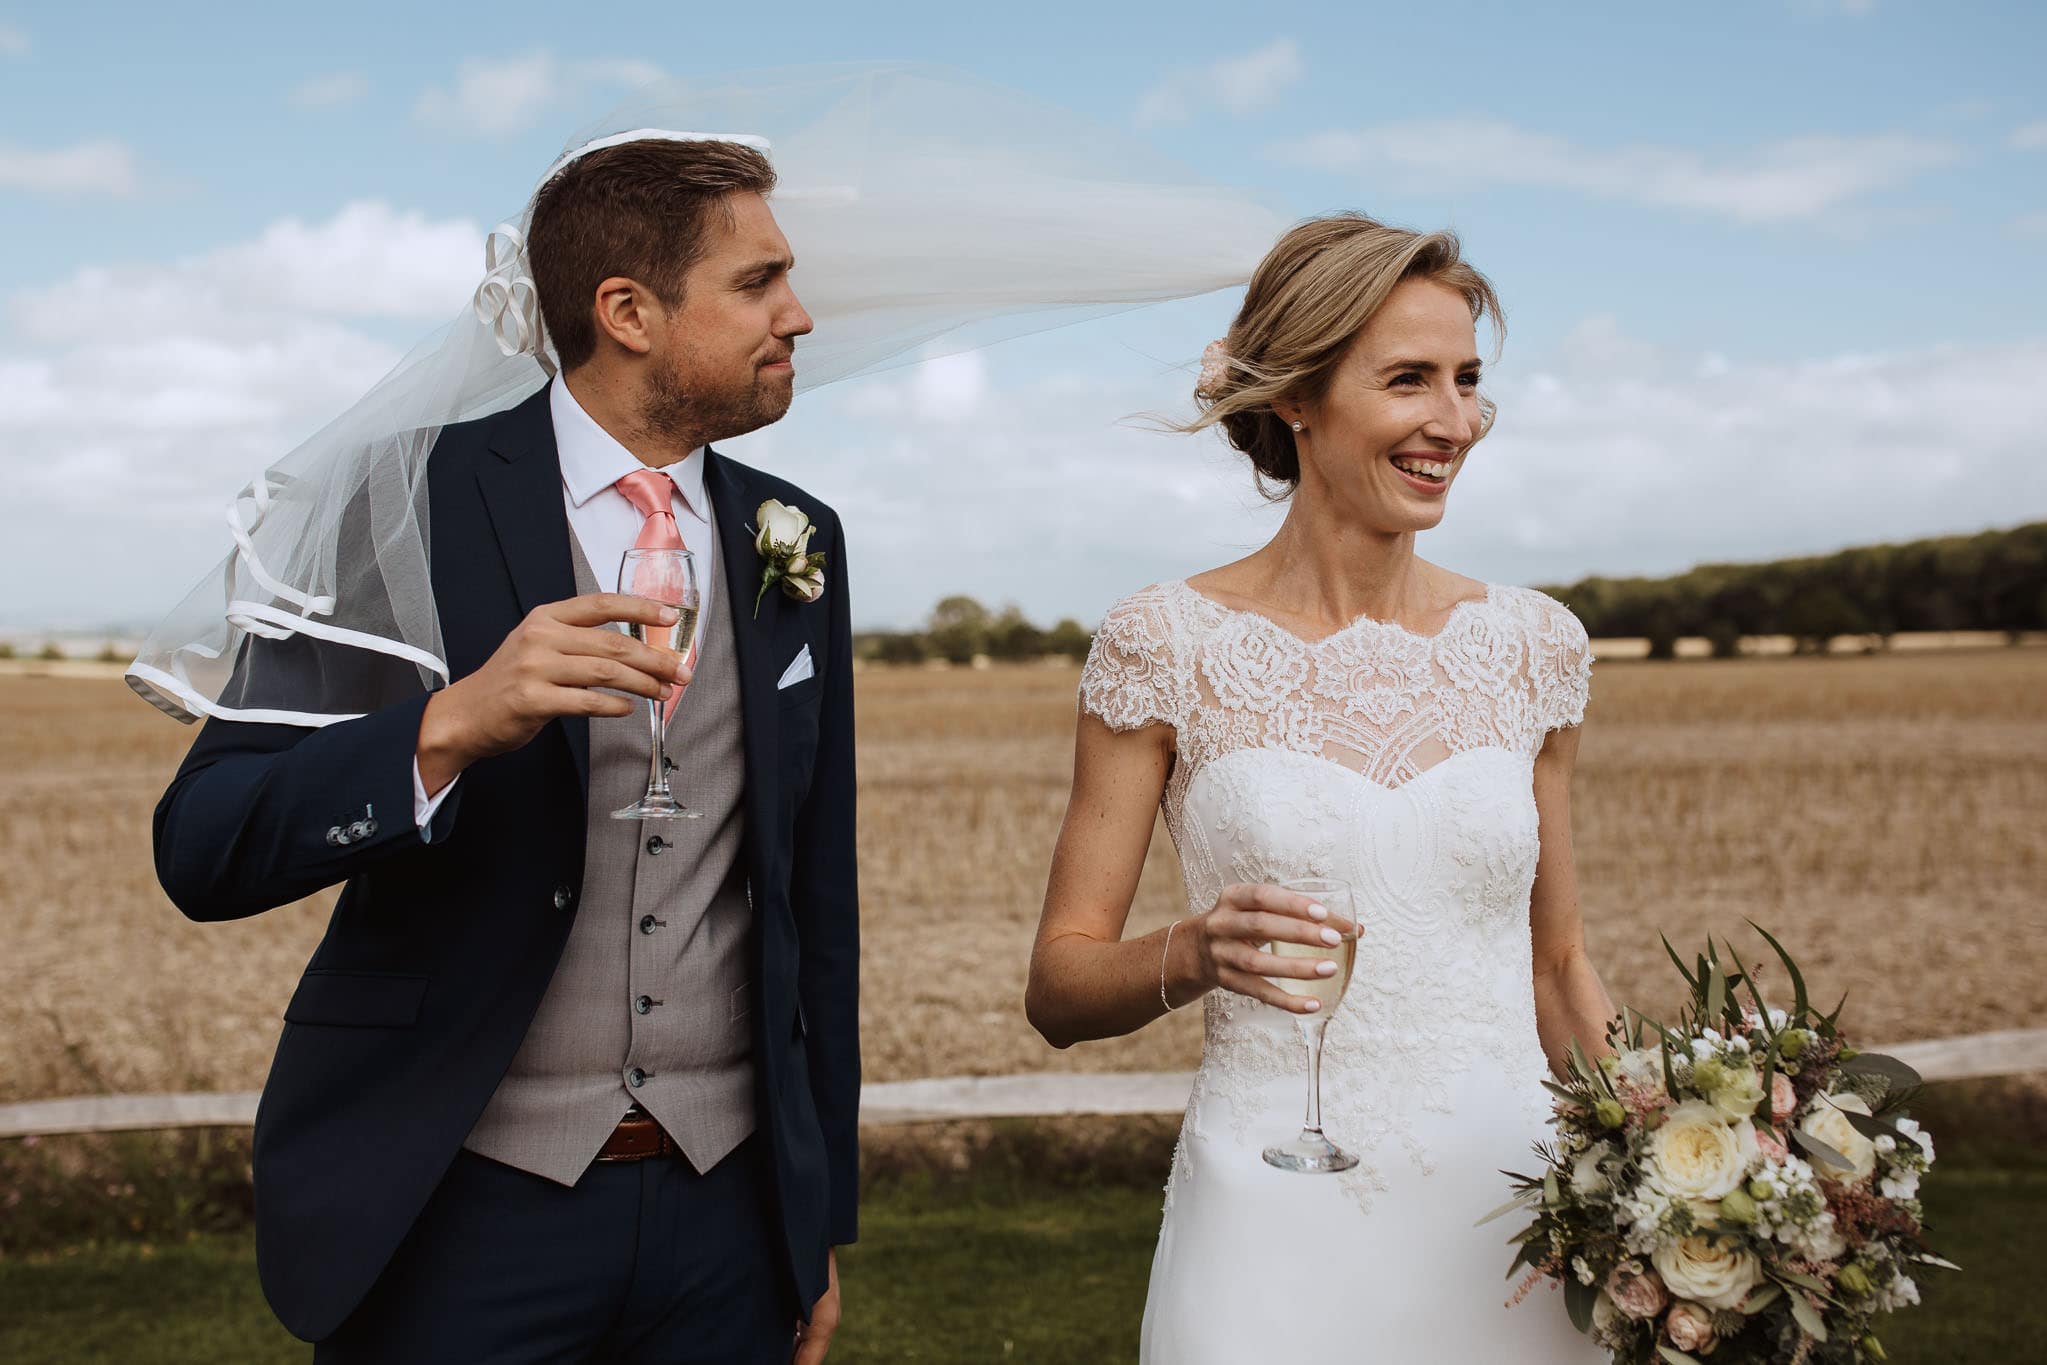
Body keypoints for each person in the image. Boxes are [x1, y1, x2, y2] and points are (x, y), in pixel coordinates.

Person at [151, 136, 857, 1362]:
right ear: (626, 311)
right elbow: (204, 847)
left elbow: (814, 891)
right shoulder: (397, 504)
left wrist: (816, 1216)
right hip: (455, 1210)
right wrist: (446, 728)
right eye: (759, 283)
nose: (798, 315)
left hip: (728, 1220)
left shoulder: (795, 538)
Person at [1026, 213, 1616, 1362]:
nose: (1452, 422)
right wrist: (1192, 955)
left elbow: (1555, 967)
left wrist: (1678, 1158)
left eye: (1467, 381)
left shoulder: (1538, 647)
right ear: (1296, 395)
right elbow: (1058, 986)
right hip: (1270, 1215)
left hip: (1516, 1221)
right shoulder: (1164, 644)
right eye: (1408, 381)